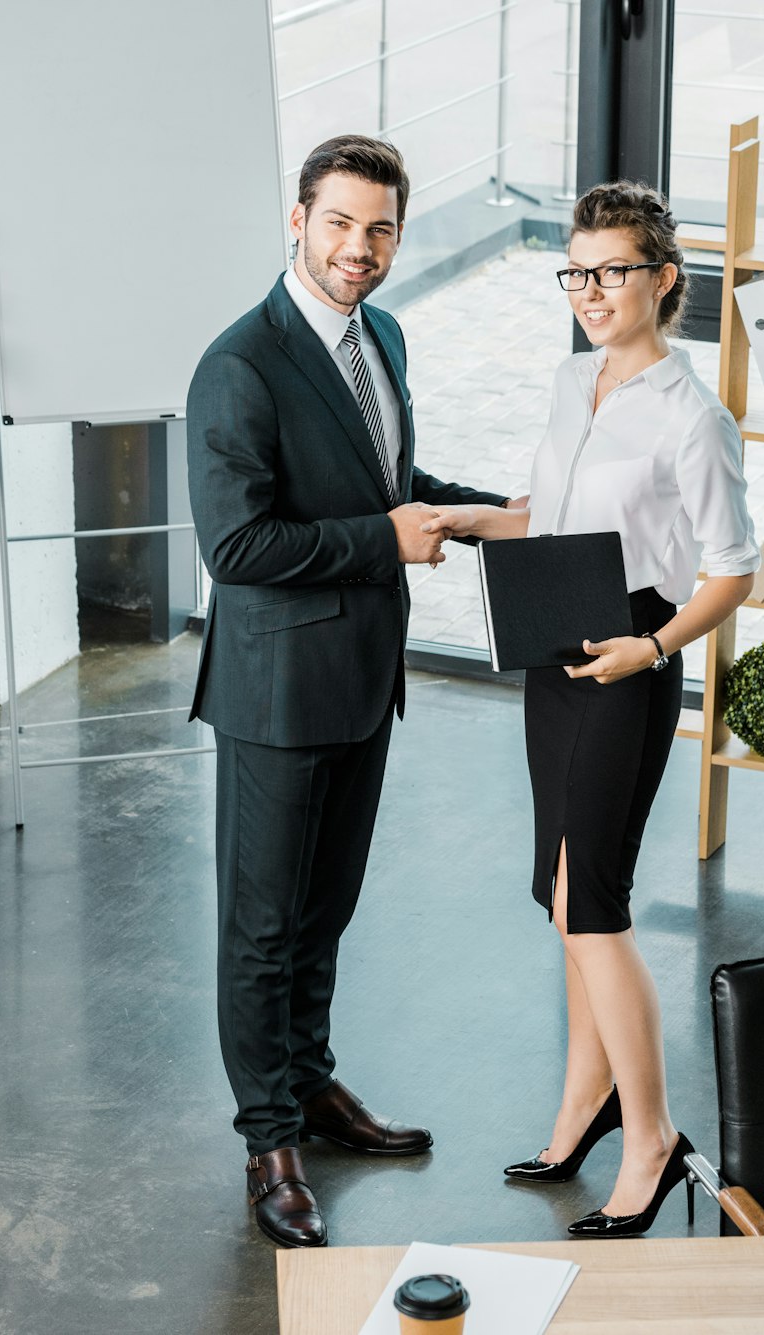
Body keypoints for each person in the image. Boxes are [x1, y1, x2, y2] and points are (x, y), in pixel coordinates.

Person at [186, 134, 511, 1250]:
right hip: (275, 692)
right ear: (296, 219)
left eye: (378, 229)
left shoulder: (383, 337)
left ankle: (314, 1088)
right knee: (263, 926)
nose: (357, 249)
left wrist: (493, 515)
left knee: (326, 911)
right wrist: (386, 539)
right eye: (338, 223)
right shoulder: (239, 365)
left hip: (364, 679)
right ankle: (266, 1139)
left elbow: (389, 485)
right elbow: (236, 546)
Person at [422, 180, 759, 1238]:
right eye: (576, 271)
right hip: (553, 646)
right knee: (557, 894)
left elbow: (732, 568)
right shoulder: (575, 383)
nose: (591, 291)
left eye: (612, 271)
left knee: (592, 905)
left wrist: (651, 648)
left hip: (630, 654)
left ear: (662, 279)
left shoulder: (692, 418)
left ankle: (652, 1137)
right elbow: (555, 515)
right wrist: (468, 518)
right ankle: (584, 1105)